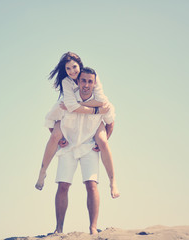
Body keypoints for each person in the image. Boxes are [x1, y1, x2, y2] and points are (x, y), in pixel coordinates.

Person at [35, 52, 119, 199]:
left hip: (87, 116)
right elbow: (65, 110)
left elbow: (100, 102)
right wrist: (92, 109)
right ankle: (42, 172)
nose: (72, 71)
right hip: (67, 113)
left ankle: (113, 182)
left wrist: (79, 105)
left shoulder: (91, 76)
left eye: (74, 67)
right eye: (68, 69)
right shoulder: (67, 82)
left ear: (80, 65)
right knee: (55, 135)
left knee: (104, 142)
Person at [51, 67, 116, 234]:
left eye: (90, 81)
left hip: (89, 147)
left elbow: (111, 121)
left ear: (94, 84)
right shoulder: (67, 101)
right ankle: (59, 229)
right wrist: (59, 138)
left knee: (92, 185)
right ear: (78, 81)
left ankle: (93, 228)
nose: (86, 84)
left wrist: (103, 140)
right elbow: (50, 120)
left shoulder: (102, 102)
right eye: (83, 80)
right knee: (63, 185)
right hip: (68, 148)